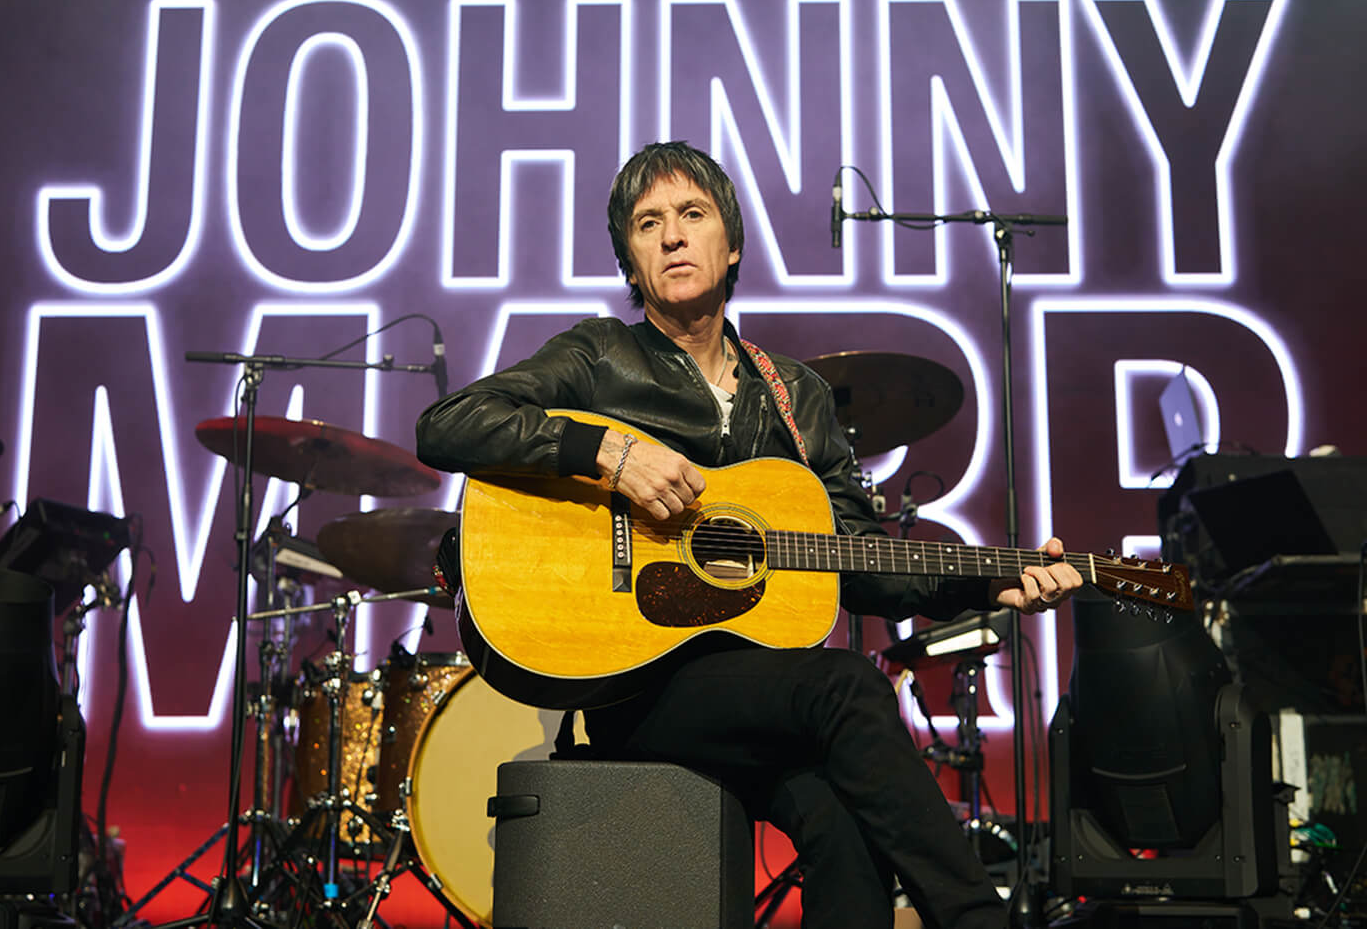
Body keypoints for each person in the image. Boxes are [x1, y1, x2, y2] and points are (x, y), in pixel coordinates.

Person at [416, 141, 1082, 928]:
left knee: (844, 820)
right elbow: (447, 423)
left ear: (731, 246)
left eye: (692, 216)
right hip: (642, 685)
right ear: (631, 265)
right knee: (849, 685)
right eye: (647, 224)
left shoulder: (794, 395)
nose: (671, 236)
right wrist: (607, 452)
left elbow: (863, 564)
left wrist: (987, 582)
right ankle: (980, 918)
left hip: (763, 693)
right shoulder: (600, 355)